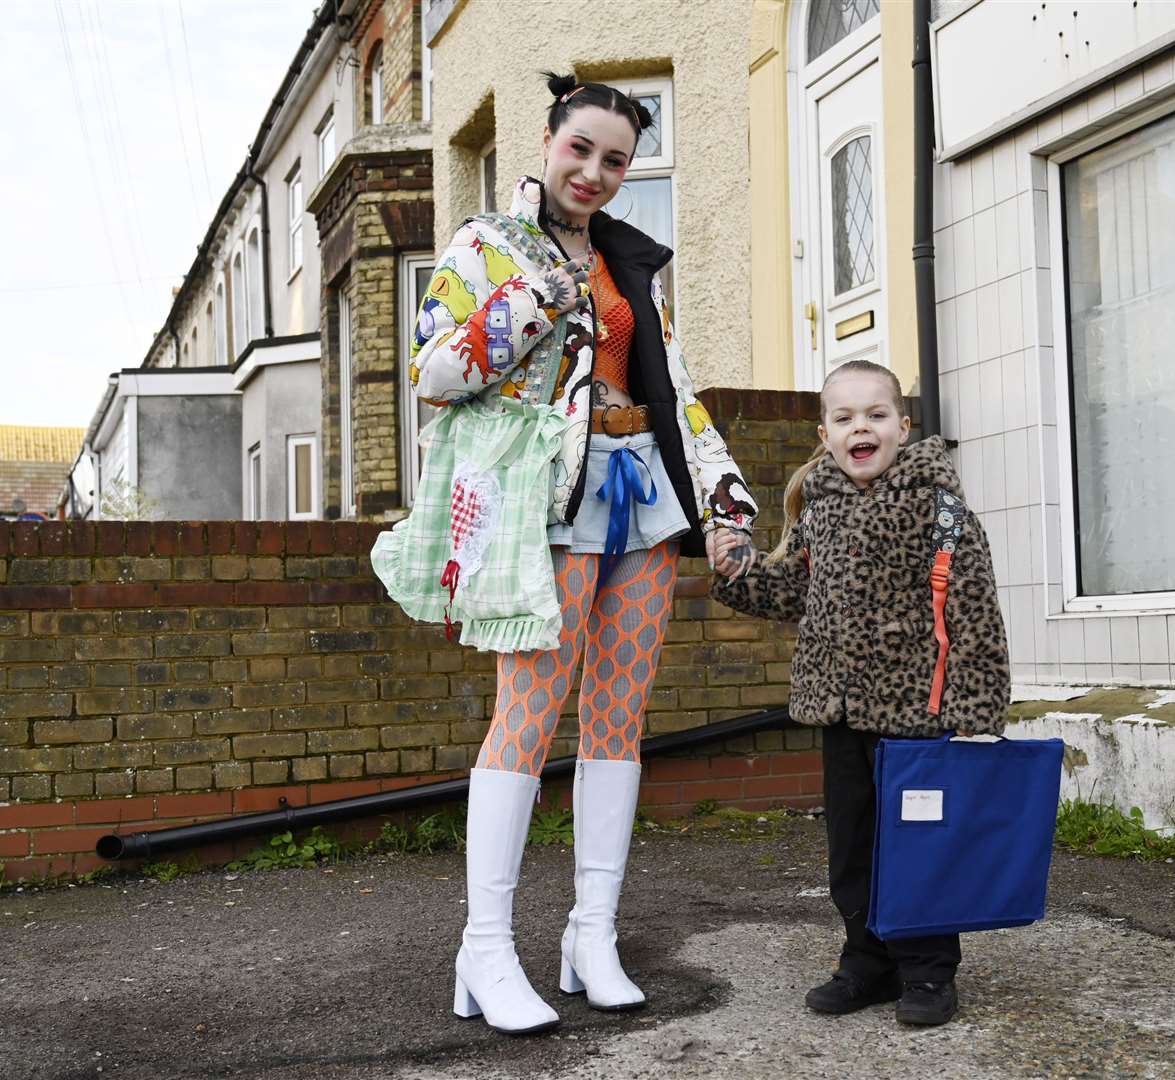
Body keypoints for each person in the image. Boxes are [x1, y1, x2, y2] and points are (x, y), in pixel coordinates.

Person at [408, 73, 755, 1036]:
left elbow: (674, 389)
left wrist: (724, 504)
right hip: (544, 502)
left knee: (618, 718)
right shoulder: (487, 246)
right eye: (581, 150)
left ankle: (589, 933)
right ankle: (485, 946)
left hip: (639, 495)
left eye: (615, 160)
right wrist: (533, 300)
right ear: (549, 139)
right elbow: (433, 373)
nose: (595, 172)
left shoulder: (627, 262)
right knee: (526, 715)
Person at [710, 359, 1009, 1027]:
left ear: (903, 428)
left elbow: (975, 612)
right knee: (851, 847)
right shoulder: (819, 510)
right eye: (844, 419)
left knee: (919, 848)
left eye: (874, 415)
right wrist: (736, 569)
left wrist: (976, 713)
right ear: (824, 433)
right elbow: (791, 590)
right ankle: (867, 963)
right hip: (840, 712)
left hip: (918, 718)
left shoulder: (941, 511)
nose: (860, 428)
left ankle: (928, 971)